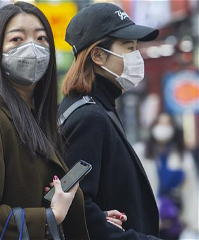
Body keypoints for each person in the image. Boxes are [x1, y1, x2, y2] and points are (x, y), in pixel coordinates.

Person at [0, 2, 93, 239]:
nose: (32, 48)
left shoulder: (35, 118)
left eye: (41, 38)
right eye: (17, 39)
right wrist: (49, 217)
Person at [58, 2, 162, 240]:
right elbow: (73, 201)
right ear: (98, 55)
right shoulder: (89, 118)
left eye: (136, 48)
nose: (137, 56)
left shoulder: (98, 108)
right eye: (128, 47)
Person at [134, 112, 199, 240]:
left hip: (175, 222)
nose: (163, 128)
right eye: (160, 123)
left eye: (167, 124)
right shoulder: (139, 151)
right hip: (147, 219)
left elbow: (191, 192)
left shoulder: (183, 156)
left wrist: (194, 225)